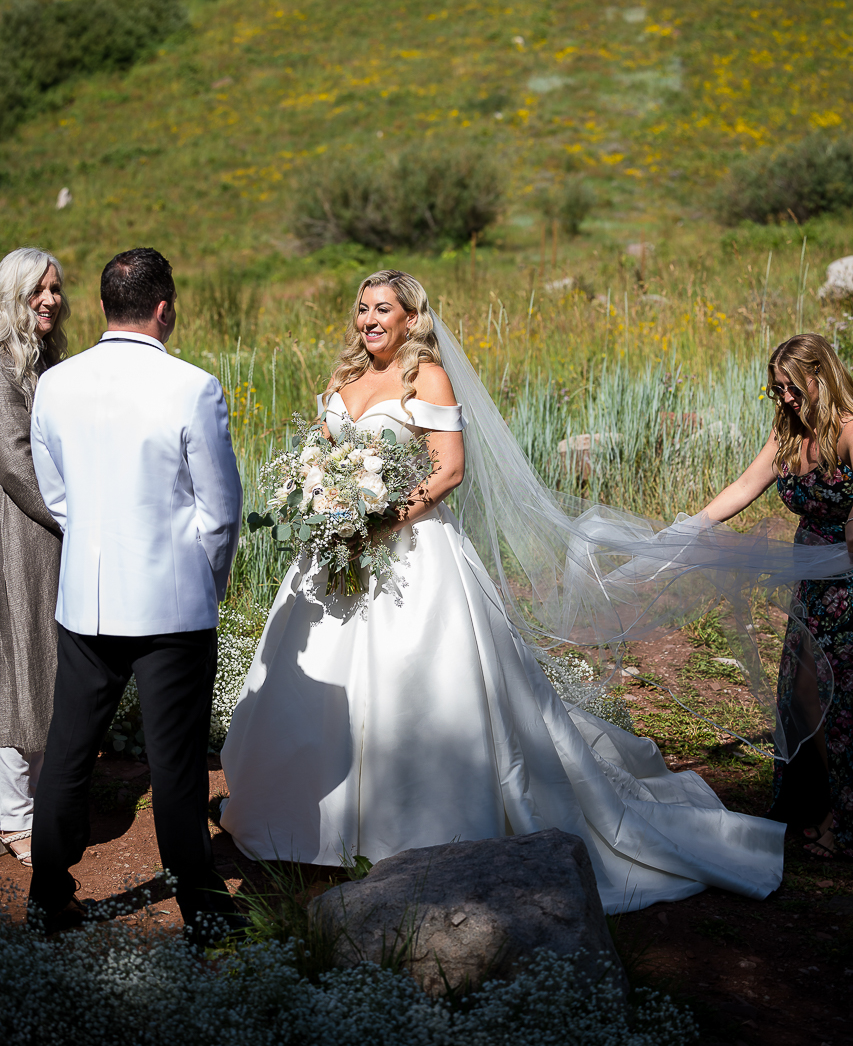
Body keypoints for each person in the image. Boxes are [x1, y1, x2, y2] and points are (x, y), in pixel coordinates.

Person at [220, 270, 788, 914]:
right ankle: (304, 822)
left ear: (411, 318)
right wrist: (322, 501)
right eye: (362, 309)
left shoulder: (424, 376)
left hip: (409, 554)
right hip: (337, 554)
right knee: (316, 683)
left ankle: (409, 829)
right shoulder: (341, 380)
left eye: (383, 309)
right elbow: (319, 458)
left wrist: (380, 519)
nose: (369, 320)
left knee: (418, 683)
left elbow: (450, 467)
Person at [28, 248, 244, 934]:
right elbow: (220, 510)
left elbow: (54, 493)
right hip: (170, 603)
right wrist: (205, 582)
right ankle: (202, 908)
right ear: (164, 307)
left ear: (100, 307)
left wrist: (93, 544)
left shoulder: (56, 383)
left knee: (68, 752)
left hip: (85, 600)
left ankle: (46, 898)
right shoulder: (193, 386)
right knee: (175, 760)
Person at [702, 333, 853, 860]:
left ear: (822, 377)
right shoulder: (788, 433)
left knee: (843, 704)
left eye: (792, 388)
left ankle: (842, 816)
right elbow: (745, 486)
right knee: (806, 697)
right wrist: (687, 529)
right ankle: (817, 801)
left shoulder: (851, 431)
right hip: (811, 583)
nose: (785, 398)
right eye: (777, 391)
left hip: (849, 583)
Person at [0, 249, 68, 869]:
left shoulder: (51, 360)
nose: (49, 299)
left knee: (44, 660)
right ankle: (14, 816)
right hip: (18, 530)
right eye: (35, 291)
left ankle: (41, 799)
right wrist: (74, 516)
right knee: (20, 662)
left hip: (46, 532)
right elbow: (15, 460)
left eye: (55, 288)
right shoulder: (1, 365)